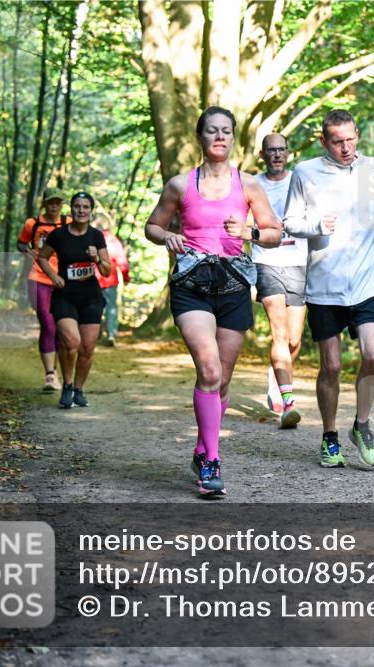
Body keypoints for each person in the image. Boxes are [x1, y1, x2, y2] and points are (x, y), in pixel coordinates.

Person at [144, 106, 283, 497]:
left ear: (233, 138)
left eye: (226, 131)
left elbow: (274, 233)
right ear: (200, 137)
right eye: (212, 130)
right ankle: (211, 463)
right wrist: (167, 236)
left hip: (234, 284)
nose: (219, 136)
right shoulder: (180, 184)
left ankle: (202, 448)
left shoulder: (248, 185)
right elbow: (152, 226)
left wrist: (249, 232)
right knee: (208, 369)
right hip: (192, 284)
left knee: (222, 379)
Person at [282, 109, 374, 470]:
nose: (346, 148)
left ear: (357, 135)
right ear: (323, 141)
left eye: (350, 139)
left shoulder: (373, 167)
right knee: (330, 366)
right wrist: (316, 225)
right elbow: (290, 222)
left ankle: (361, 425)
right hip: (325, 284)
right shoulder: (305, 172)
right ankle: (329, 436)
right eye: (337, 142)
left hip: (367, 280)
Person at [36, 192, 111, 410]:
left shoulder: (96, 236)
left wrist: (96, 259)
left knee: (87, 348)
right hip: (65, 296)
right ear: (71, 209)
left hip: (91, 297)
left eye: (85, 207)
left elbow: (107, 271)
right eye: (77, 206)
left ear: (90, 211)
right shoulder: (59, 235)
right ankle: (67, 385)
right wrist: (53, 276)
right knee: (71, 341)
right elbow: (42, 257)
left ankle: (78, 389)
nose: (81, 211)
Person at [253, 133, 307, 429]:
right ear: (262, 155)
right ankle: (288, 402)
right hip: (266, 261)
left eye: (281, 150)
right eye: (271, 150)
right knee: (280, 333)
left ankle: (276, 377)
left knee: (295, 340)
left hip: (299, 263)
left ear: (288, 153)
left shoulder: (301, 180)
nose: (276, 155)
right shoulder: (252, 183)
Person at [16, 188, 69, 391]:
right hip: (38, 278)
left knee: (60, 327)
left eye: (57, 202)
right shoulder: (33, 223)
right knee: (48, 324)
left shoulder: (68, 223)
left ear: (62, 204)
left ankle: (55, 370)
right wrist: (27, 250)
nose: (54, 206)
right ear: (44, 204)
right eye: (50, 202)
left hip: (63, 280)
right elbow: (21, 243)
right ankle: (49, 375)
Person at [95, 216, 131, 346]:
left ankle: (95, 333)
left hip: (94, 279)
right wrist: (126, 277)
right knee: (111, 308)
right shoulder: (114, 241)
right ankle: (111, 334)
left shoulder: (92, 239)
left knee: (95, 307)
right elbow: (122, 261)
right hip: (110, 279)